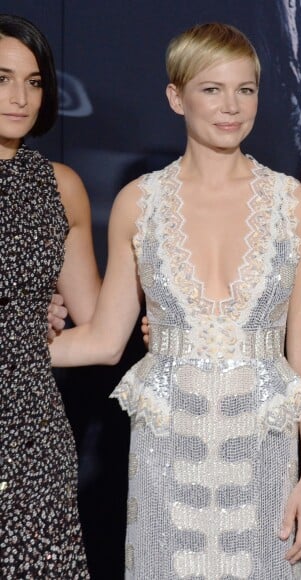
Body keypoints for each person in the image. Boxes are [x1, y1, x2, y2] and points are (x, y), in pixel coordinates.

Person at [50, 22, 301, 579]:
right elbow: (105, 338)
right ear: (176, 97)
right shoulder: (138, 202)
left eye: (245, 89)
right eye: (212, 89)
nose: (232, 107)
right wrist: (14, 348)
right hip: (167, 448)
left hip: (265, 447)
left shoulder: (294, 204)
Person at [0, 14, 100, 578]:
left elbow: (99, 331)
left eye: (34, 82)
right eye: (3, 78)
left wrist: (167, 322)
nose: (20, 97)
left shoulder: (59, 186)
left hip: (35, 434)